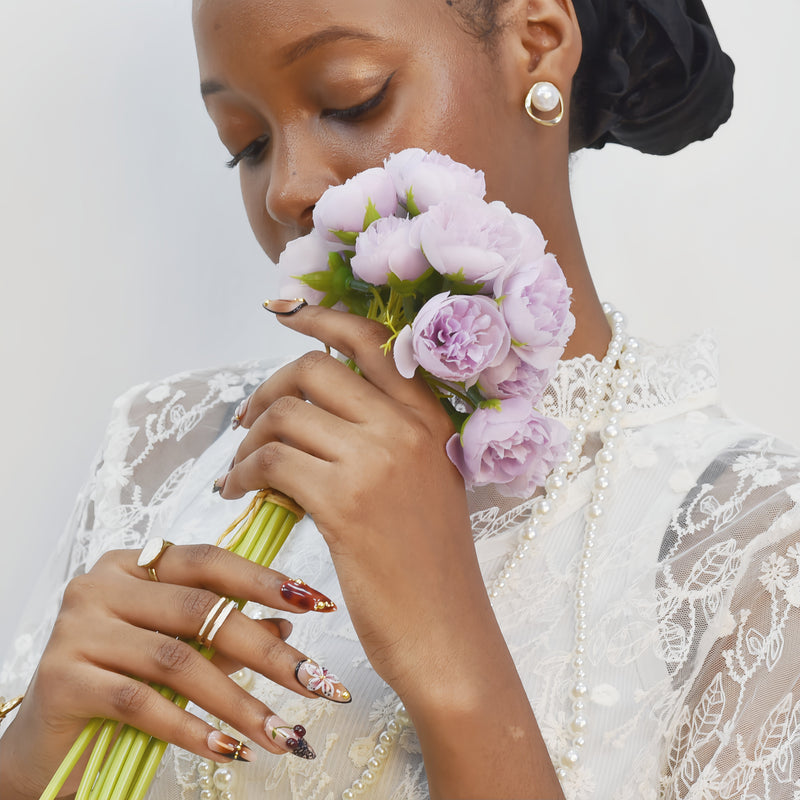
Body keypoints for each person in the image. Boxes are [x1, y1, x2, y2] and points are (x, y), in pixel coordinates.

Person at [2, 0, 798, 798]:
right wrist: (28, 763)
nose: (287, 188)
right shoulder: (166, 454)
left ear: (539, 44)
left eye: (353, 99)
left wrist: (454, 667)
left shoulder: (756, 547)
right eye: (245, 144)